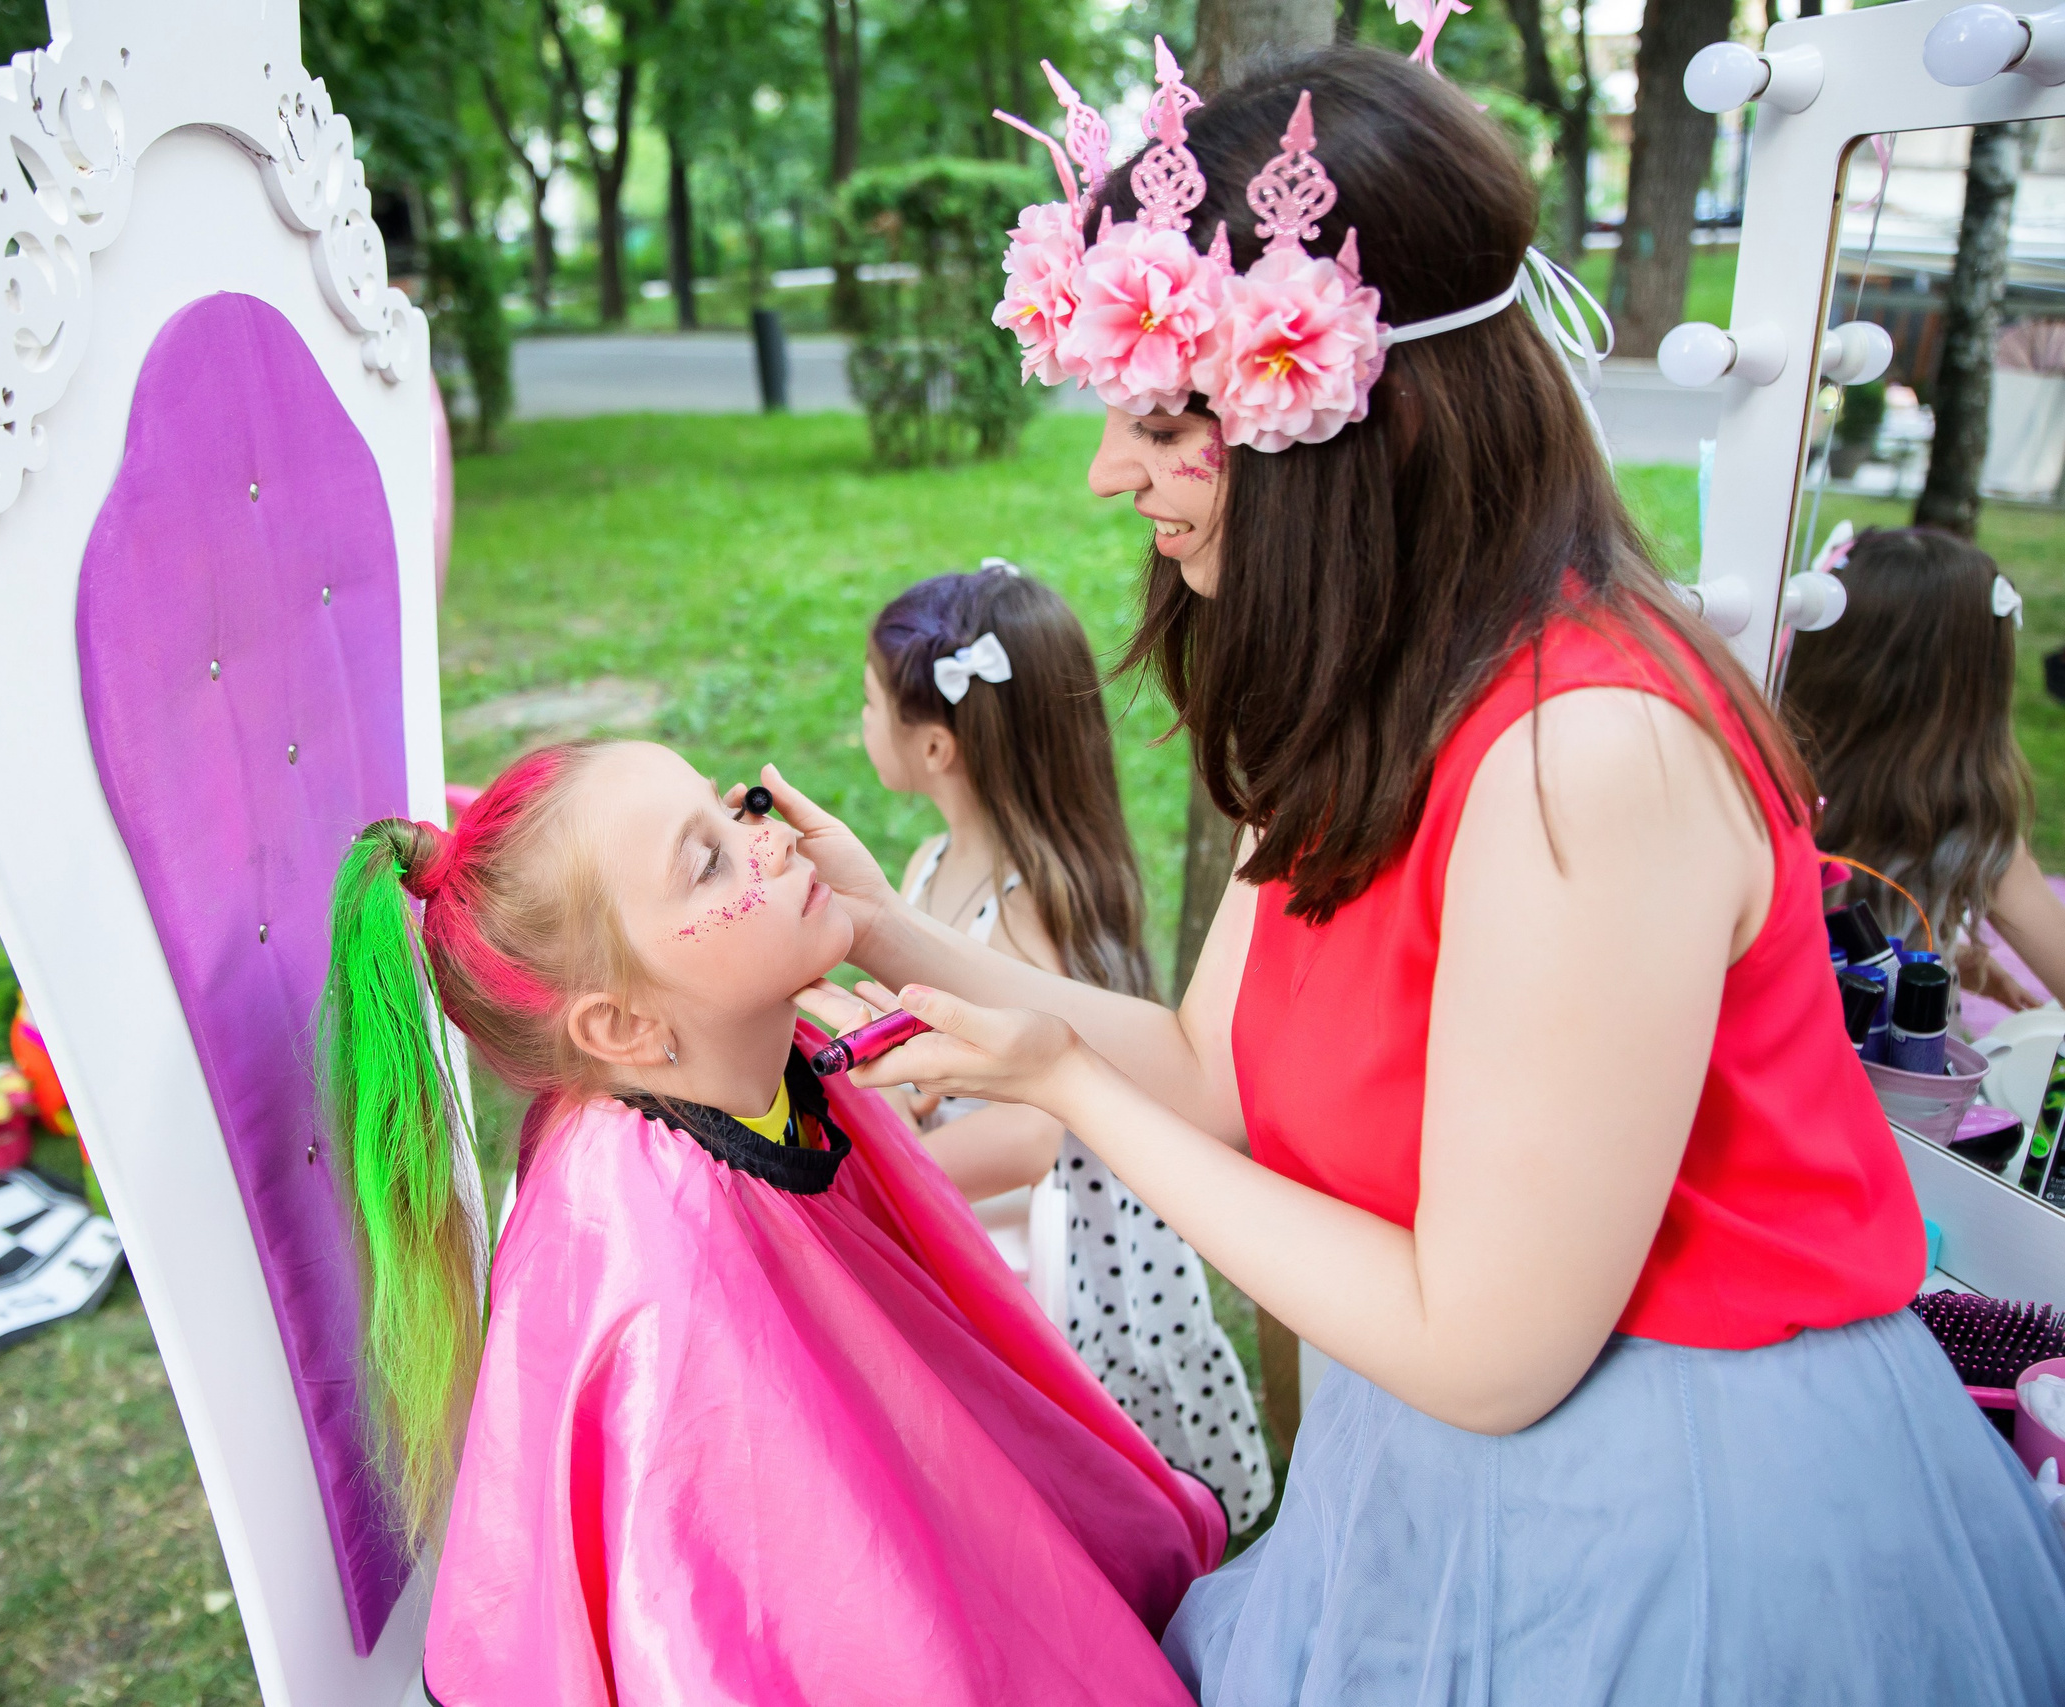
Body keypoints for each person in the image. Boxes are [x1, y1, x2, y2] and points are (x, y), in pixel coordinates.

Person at [768, 44, 2065, 1703]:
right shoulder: (1368, 691)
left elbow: (1490, 1345)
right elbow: (1215, 1072)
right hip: (1436, 1468)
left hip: (1681, 1512)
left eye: (1165, 420)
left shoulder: (1582, 755)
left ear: (1348, 424)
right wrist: (888, 929)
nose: (1110, 472)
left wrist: (1073, 1104)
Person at [315, 738, 1224, 1706]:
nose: (769, 841)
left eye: (733, 807)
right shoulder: (659, 1287)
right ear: (621, 1027)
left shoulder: (759, 1064)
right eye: (708, 860)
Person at [864, 562, 1271, 1529]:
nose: (861, 722)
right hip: (980, 1196)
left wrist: (897, 1168)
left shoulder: (1029, 911)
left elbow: (1040, 1131)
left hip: (1049, 1232)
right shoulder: (929, 862)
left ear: (934, 745)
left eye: (870, 702)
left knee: (1061, 1447)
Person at [1782, 525, 2065, 1010]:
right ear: (1976, 689)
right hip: (1892, 1080)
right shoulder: (1972, 832)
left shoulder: (1765, 787)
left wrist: (1964, 963)